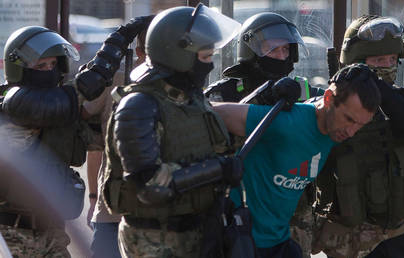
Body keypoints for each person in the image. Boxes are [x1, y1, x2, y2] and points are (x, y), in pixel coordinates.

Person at [101, 5, 243, 257]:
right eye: (205, 57)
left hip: (197, 232)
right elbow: (149, 184)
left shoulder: (191, 100)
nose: (210, 66)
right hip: (154, 240)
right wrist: (215, 170)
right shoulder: (139, 106)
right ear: (179, 55)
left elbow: (212, 146)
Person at [212, 63, 382, 258]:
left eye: (360, 125)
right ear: (328, 99)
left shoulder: (335, 132)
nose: (352, 132)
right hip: (241, 242)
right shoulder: (287, 122)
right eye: (349, 119)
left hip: (280, 243)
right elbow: (213, 111)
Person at [310, 15, 404, 258]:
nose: (386, 66)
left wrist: (373, 85)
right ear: (354, 63)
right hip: (349, 243)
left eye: (392, 60)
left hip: (401, 240)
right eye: (378, 60)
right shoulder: (329, 106)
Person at [0, 26, 84, 257]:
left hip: (53, 230)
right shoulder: (10, 107)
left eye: (53, 65)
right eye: (40, 66)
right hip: (12, 232)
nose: (48, 72)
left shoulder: (61, 108)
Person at [83, 23, 150, 258]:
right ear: (140, 52)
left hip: (157, 217)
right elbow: (96, 148)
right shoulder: (114, 82)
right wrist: (94, 198)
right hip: (111, 211)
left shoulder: (185, 87)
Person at [205, 12, 324, 104]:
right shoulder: (223, 94)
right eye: (272, 49)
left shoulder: (304, 92)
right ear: (250, 54)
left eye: (285, 49)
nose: (282, 57)